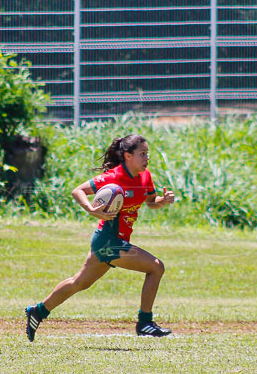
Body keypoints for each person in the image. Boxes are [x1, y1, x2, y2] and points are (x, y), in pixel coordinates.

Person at [24, 133, 176, 341]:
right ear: (128, 156)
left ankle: (38, 311)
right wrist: (91, 209)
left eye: (147, 153)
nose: (146, 157)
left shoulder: (145, 176)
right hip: (108, 240)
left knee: (79, 283)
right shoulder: (114, 177)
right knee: (156, 267)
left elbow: (150, 201)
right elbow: (77, 190)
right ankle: (145, 322)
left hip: (113, 241)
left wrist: (162, 201)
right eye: (142, 153)